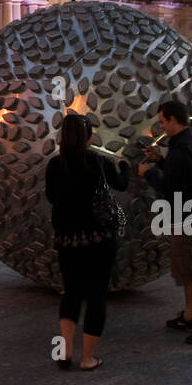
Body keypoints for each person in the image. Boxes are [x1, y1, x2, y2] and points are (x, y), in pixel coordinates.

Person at [44, 112, 130, 371]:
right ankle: (87, 358)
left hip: (68, 241)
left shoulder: (55, 165)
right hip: (99, 240)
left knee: (70, 293)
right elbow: (122, 185)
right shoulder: (99, 162)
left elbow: (50, 197)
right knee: (96, 296)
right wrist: (124, 166)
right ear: (88, 137)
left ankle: (66, 350)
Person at [138, 99, 192, 344]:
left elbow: (171, 187)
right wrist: (161, 161)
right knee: (186, 268)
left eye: (163, 122)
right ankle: (188, 315)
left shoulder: (182, 148)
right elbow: (183, 176)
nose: (161, 127)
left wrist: (148, 173)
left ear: (173, 119)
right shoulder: (188, 141)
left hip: (189, 217)